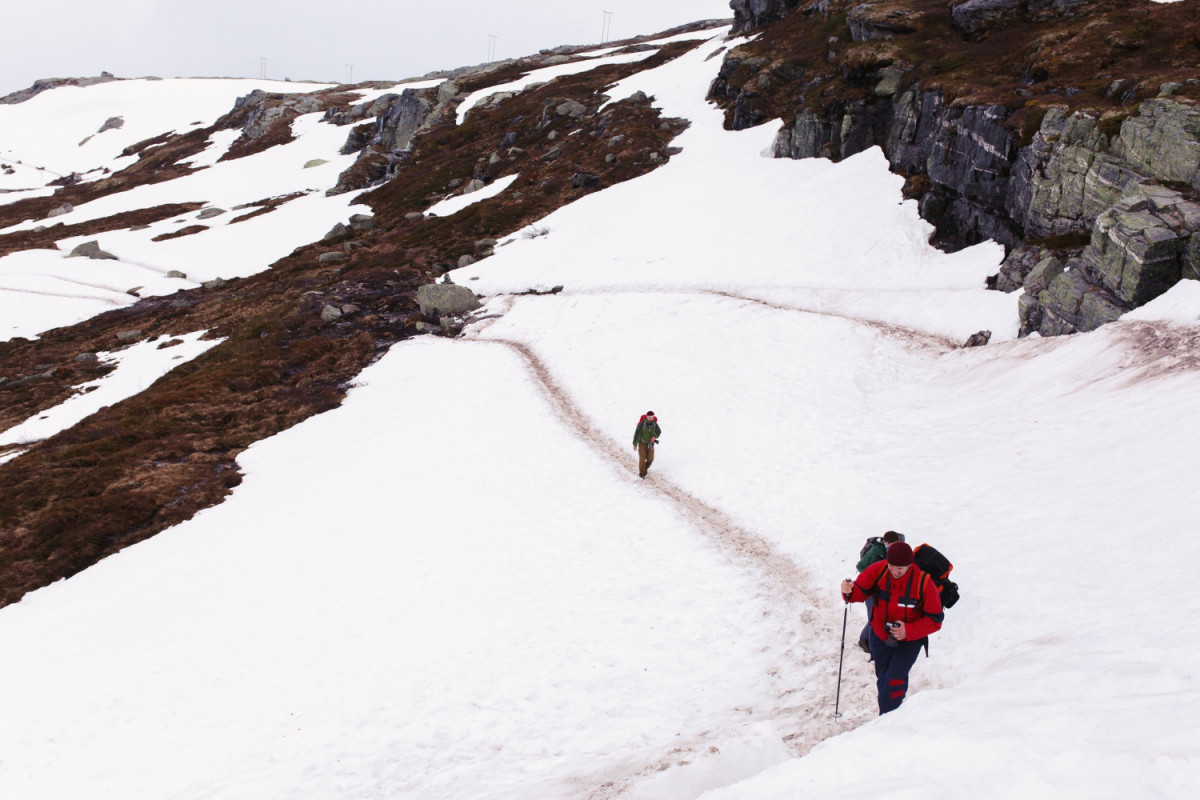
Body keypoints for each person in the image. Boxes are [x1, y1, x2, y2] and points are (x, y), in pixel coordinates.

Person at [840, 541, 943, 715]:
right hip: (880, 636)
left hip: (909, 642)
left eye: (900, 569)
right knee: (883, 678)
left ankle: (888, 721)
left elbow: (935, 620)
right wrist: (847, 591)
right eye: (892, 567)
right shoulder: (878, 570)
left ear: (910, 566)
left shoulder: (923, 582)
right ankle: (889, 717)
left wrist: (908, 630)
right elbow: (858, 593)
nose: (895, 572)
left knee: (894, 681)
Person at [855, 531, 905, 653]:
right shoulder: (875, 551)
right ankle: (866, 642)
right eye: (890, 544)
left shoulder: (897, 551)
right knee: (874, 618)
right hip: (871, 590)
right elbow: (860, 566)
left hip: (884, 590)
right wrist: (871, 576)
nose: (892, 547)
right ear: (885, 542)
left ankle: (871, 641)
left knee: (880, 618)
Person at [631, 411, 661, 478]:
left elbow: (659, 432)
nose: (650, 418)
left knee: (651, 459)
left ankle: (644, 469)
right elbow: (637, 434)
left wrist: (654, 437)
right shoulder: (642, 424)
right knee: (642, 459)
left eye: (651, 417)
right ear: (646, 417)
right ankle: (642, 474)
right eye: (649, 417)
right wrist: (635, 444)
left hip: (651, 444)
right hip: (642, 444)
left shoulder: (655, 424)